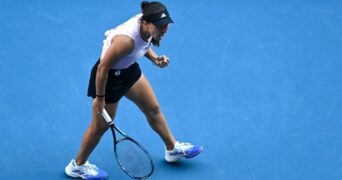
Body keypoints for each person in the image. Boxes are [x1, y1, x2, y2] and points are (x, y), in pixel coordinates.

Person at [65, 1, 203, 179]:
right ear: (146, 23)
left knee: (153, 109)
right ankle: (78, 166)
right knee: (99, 128)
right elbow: (102, 68)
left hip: (128, 70)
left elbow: (143, 45)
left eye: (166, 26)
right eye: (160, 27)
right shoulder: (125, 41)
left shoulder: (145, 26)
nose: (164, 30)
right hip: (108, 79)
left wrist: (154, 58)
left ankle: (172, 148)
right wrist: (100, 98)